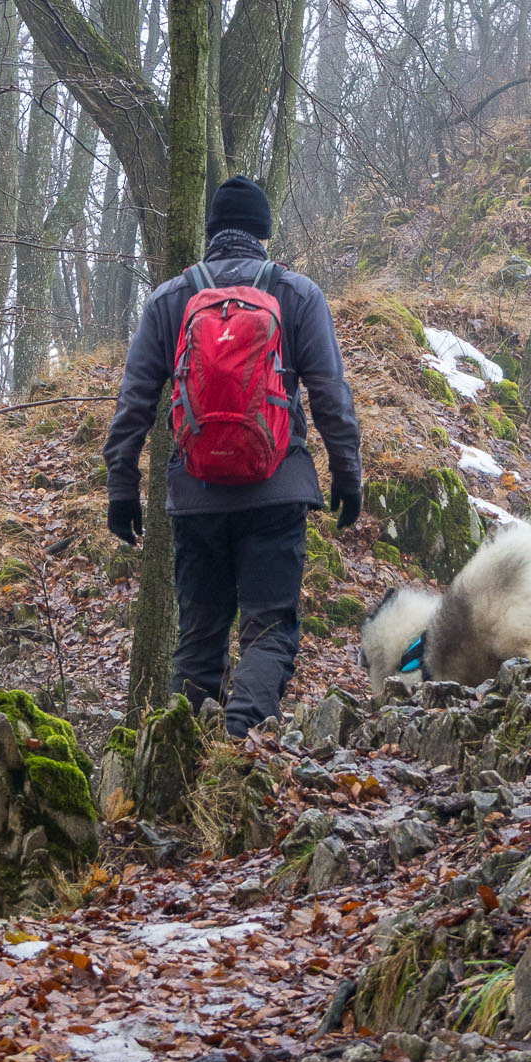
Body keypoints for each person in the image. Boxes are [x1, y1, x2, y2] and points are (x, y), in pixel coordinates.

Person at [103, 175, 363, 735]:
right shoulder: (296, 294)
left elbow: (135, 402)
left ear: (213, 232)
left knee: (198, 641)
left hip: (196, 497)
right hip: (276, 492)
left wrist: (121, 486)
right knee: (269, 630)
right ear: (263, 234)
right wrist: (348, 475)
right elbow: (331, 397)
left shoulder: (171, 300)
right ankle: (242, 748)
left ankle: (182, 772)